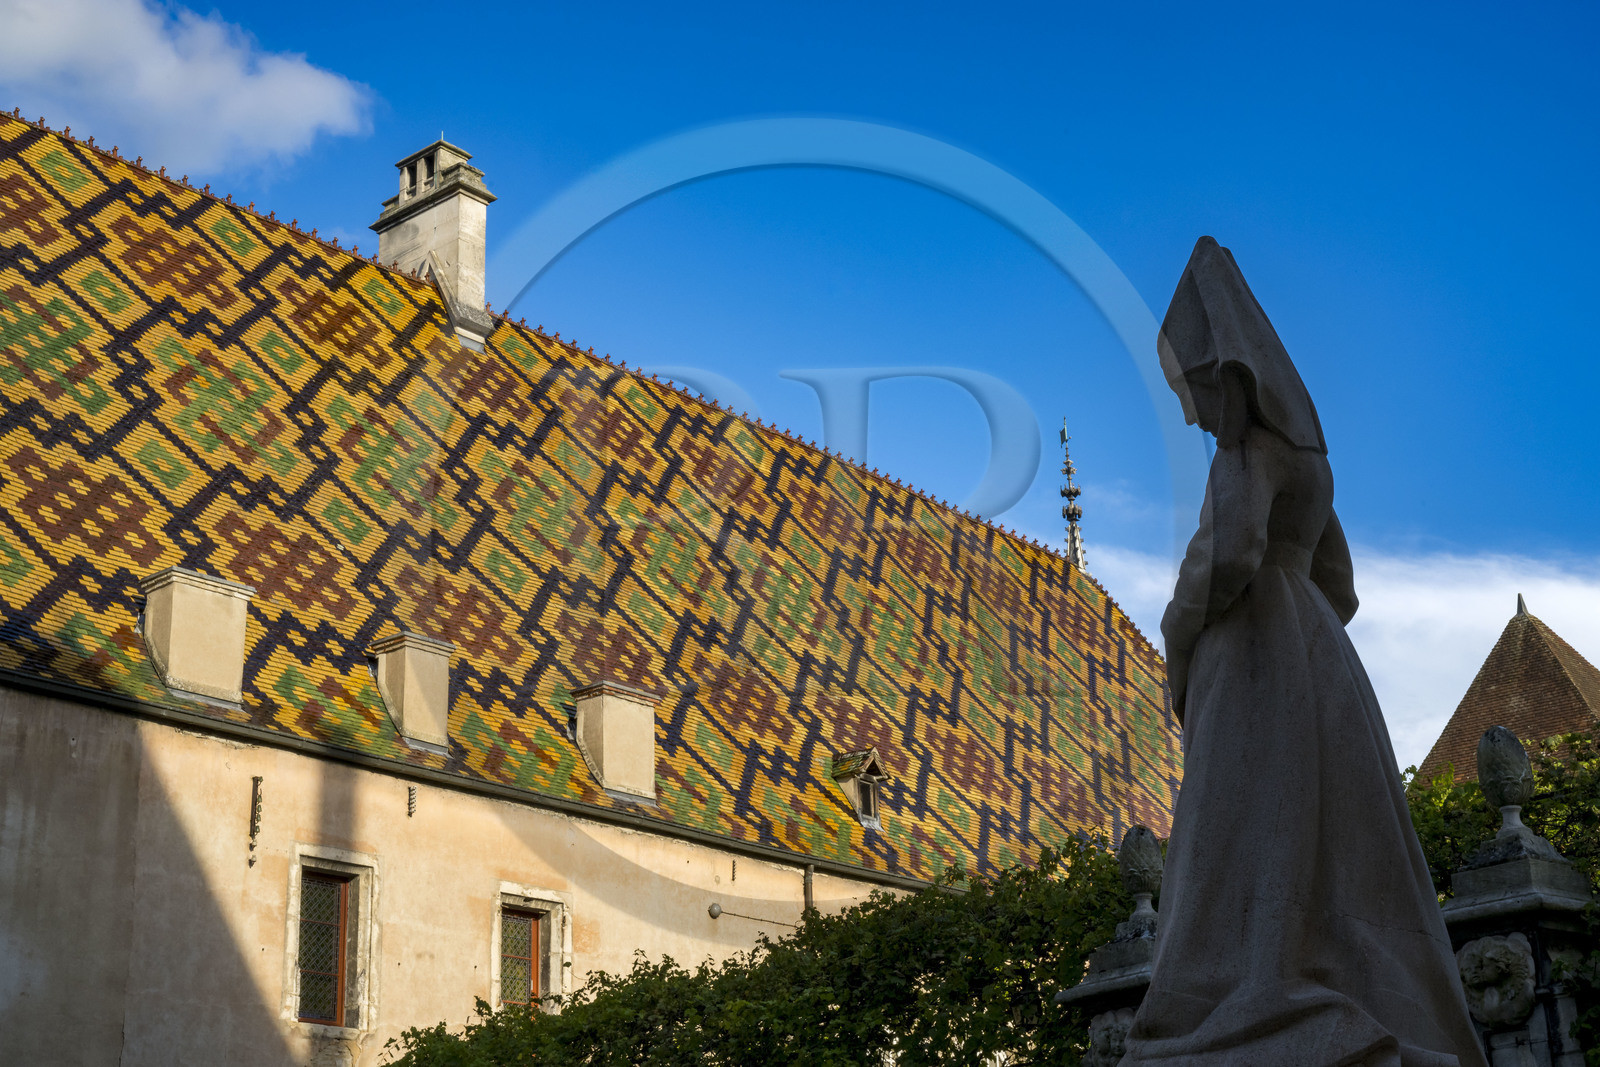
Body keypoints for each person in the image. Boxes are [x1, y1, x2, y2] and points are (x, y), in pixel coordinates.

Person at [1119, 238, 1486, 1067]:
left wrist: (1179, 633)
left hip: (1251, 646)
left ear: (1224, 369)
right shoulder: (1310, 455)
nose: (1191, 413)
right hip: (1317, 654)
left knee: (1234, 828)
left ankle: (1235, 994)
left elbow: (1229, 554)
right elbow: (1340, 581)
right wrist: (1311, 632)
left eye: (1192, 389)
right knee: (1332, 838)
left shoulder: (1245, 452)